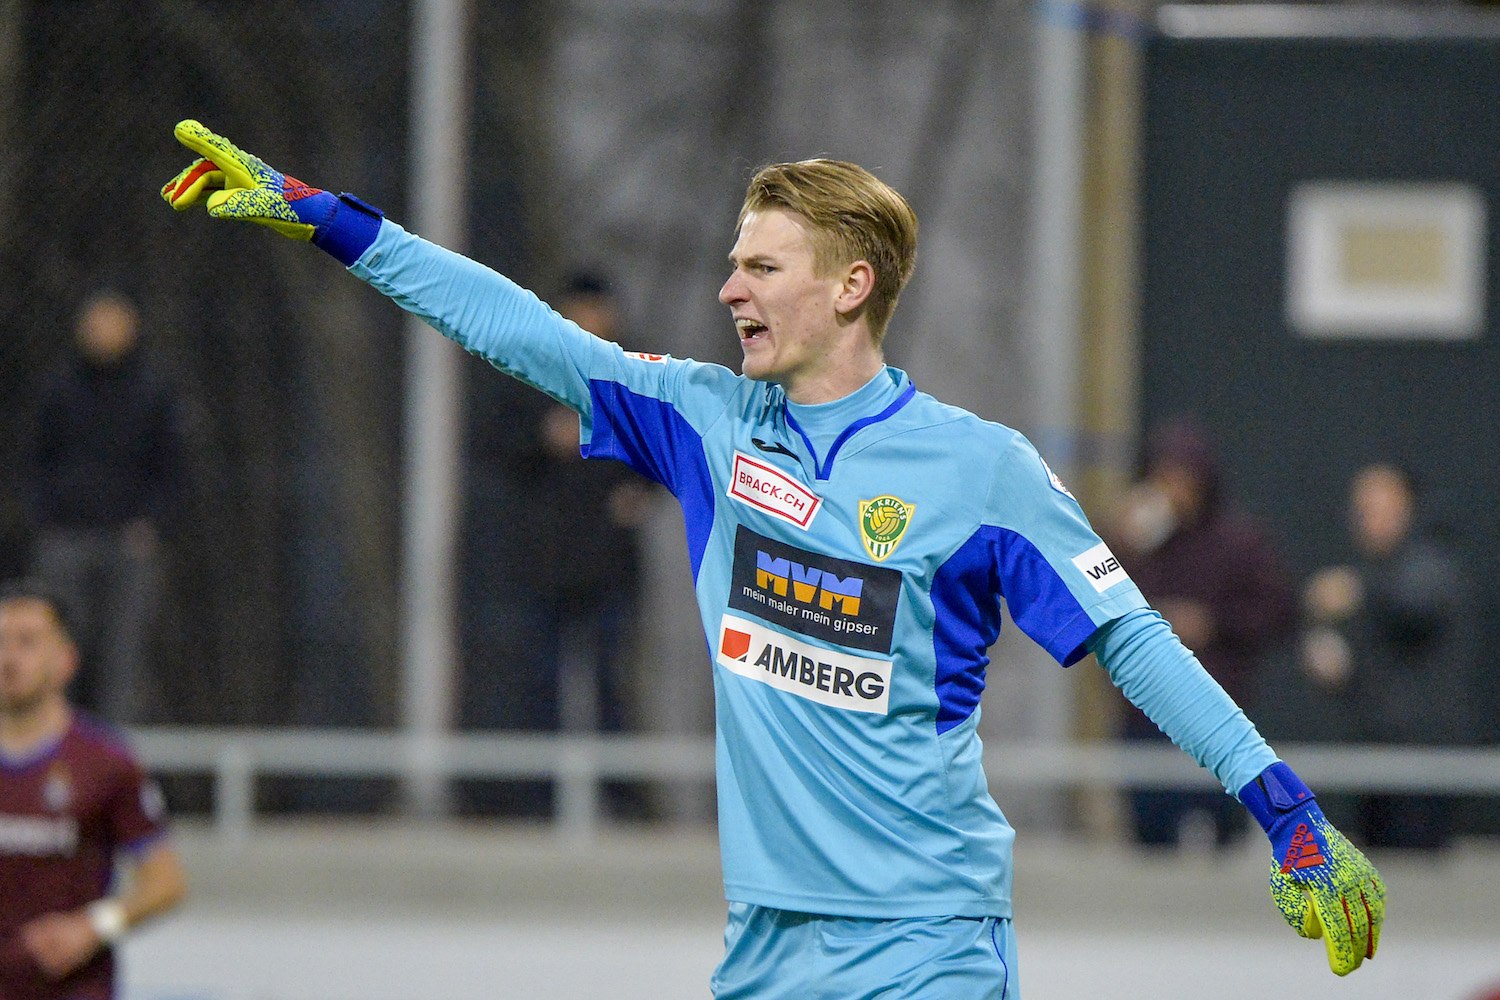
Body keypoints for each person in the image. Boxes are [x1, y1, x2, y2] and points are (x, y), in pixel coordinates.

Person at [161, 119, 1385, 992]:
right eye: (731, 262)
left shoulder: (981, 469)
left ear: (851, 286)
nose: (725, 286)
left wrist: (1283, 807)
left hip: (925, 940)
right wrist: (329, 219)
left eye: (758, 264)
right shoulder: (704, 420)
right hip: (767, 942)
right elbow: (516, 327)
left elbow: (1132, 637)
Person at [458, 270, 655, 818]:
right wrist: (545, 438)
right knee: (537, 687)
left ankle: (624, 803)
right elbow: (493, 444)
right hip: (543, 563)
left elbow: (670, 450)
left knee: (612, 687)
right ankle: (534, 804)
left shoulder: (633, 378)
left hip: (610, 564)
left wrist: (639, 494)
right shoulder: (530, 370)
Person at [1109, 417, 1295, 849]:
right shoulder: (1136, 540)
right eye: (1164, 479)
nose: (1175, 491)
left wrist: (1212, 623)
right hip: (1146, 714)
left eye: (1184, 479)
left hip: (1219, 710)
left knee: (1224, 836)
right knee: (1149, 839)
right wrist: (1121, 542)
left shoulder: (1240, 541)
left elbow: (1278, 613)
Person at [0, 579, 188, 1000]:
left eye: (27, 642)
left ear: (65, 661)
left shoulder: (104, 761)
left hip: (70, 989)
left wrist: (94, 926)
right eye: (1, 642)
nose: (9, 658)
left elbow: (166, 880)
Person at [20, 290, 187, 725]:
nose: (103, 331)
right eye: (96, 320)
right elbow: (33, 458)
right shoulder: (58, 387)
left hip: (127, 544)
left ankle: (114, 759)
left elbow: (172, 467)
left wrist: (151, 523)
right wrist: (46, 518)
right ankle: (50, 744)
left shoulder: (154, 391)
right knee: (55, 650)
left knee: (124, 658)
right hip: (66, 538)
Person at [1300, 462, 1475, 850]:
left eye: (1382, 509)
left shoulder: (1429, 562)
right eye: (1363, 511)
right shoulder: (1374, 571)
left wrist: (1358, 588)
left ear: (1407, 509)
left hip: (1422, 761)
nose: (1371, 521)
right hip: (1372, 751)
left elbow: (1416, 605)